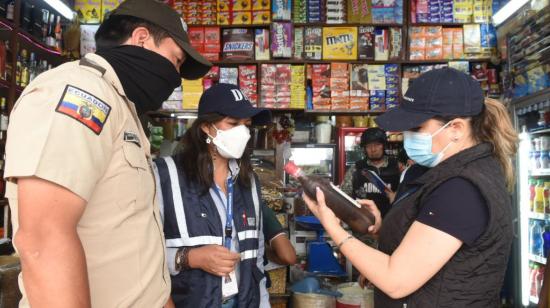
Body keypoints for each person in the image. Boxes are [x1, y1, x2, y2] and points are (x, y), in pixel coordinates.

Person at [3, 0, 211, 307]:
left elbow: (130, 233)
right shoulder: (80, 93)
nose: (176, 76)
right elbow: (43, 239)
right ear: (141, 38)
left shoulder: (123, 109)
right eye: (177, 61)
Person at [303, 68, 518, 307]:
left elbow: (396, 280)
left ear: (456, 129)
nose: (407, 136)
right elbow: (424, 239)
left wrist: (333, 227)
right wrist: (383, 229)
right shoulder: (435, 172)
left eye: (416, 128)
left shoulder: (463, 189)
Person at [154, 83, 272, 308]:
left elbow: (256, 259)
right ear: (207, 127)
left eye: (246, 125)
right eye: (233, 123)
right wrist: (191, 258)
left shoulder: (249, 182)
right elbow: (141, 255)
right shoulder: (165, 175)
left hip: (243, 301)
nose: (243, 132)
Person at [340, 127, 401, 217]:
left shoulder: (397, 167)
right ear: (364, 148)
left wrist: (397, 196)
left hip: (391, 222)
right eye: (369, 146)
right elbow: (344, 196)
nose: (373, 149)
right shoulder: (356, 168)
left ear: (383, 145)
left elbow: (409, 198)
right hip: (363, 222)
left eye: (377, 144)